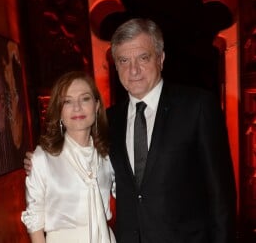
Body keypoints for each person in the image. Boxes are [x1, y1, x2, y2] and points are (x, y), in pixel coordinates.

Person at [25, 18, 237, 243]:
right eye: (124, 60)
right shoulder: (110, 120)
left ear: (161, 58)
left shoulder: (197, 106)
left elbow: (221, 196)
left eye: (143, 58)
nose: (133, 70)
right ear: (115, 66)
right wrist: (42, 162)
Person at [21, 71, 116, 243]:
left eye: (85, 98)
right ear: (59, 110)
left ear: (96, 105)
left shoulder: (108, 156)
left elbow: (127, 191)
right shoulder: (43, 158)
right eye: (67, 101)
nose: (77, 107)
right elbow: (34, 220)